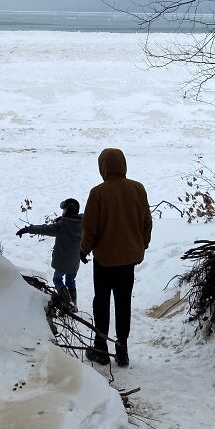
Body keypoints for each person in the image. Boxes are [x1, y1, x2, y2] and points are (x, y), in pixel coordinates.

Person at [81, 148, 152, 367]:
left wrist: (83, 250)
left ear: (103, 166)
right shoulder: (138, 189)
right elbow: (146, 222)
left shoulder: (98, 192)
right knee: (123, 304)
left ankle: (100, 347)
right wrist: (142, 245)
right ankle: (122, 349)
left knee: (101, 302)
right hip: (128, 261)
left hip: (104, 261)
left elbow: (90, 228)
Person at [17, 198, 82, 308]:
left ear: (68, 211)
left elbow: (43, 229)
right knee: (71, 280)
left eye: (64, 210)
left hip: (62, 262)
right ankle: (73, 304)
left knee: (57, 279)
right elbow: (74, 221)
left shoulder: (61, 226)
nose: (63, 212)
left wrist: (27, 229)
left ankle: (67, 304)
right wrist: (64, 218)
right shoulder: (84, 224)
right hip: (75, 260)